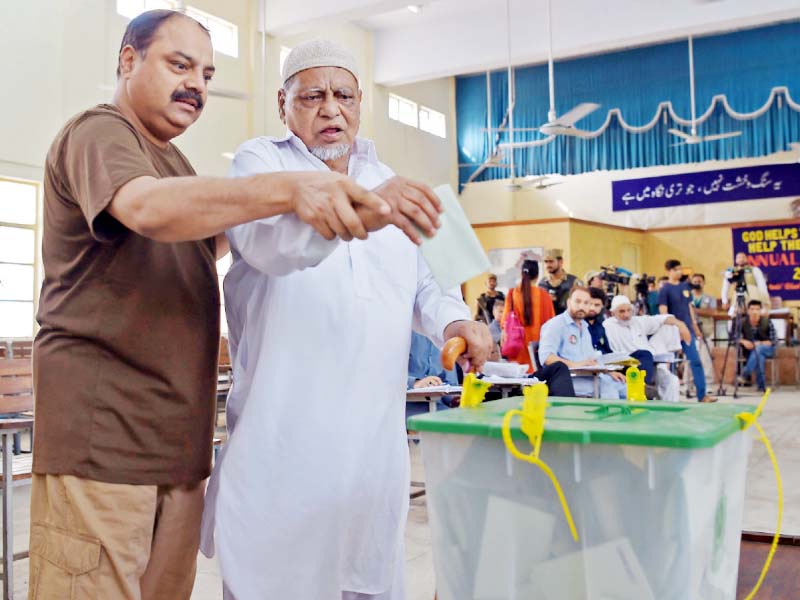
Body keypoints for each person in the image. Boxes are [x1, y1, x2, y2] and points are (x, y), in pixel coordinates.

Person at [28, 12, 408, 600]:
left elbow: (236, 239)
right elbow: (149, 208)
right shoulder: (100, 134)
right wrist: (288, 185)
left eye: (206, 73)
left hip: (178, 445)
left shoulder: (175, 164)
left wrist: (345, 209)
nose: (196, 85)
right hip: (106, 440)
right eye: (179, 65)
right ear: (127, 60)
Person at [199, 40, 493, 600]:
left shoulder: (390, 178)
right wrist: (371, 206)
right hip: (281, 451)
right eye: (312, 95)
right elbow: (270, 248)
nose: (330, 109)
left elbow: (429, 284)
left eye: (344, 95)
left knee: (368, 582)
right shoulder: (260, 162)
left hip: (372, 457)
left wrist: (456, 324)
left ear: (361, 104)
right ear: (283, 103)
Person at [538, 287, 627, 400]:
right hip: (569, 379)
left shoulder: (584, 326)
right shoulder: (556, 325)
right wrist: (575, 364)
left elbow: (592, 358)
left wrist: (608, 372)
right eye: (578, 301)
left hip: (592, 377)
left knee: (627, 388)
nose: (581, 306)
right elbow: (546, 357)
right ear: (569, 302)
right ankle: (609, 418)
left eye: (586, 303)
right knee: (609, 390)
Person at [604, 295, 689, 402]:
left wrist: (681, 325)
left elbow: (662, 319)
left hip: (648, 364)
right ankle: (644, 387)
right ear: (612, 313)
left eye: (629, 310)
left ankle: (668, 413)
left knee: (672, 380)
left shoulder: (638, 321)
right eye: (621, 311)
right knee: (644, 354)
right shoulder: (607, 326)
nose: (626, 315)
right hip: (624, 366)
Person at [658, 259, 716, 403]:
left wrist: (695, 327)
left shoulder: (685, 287)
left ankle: (702, 395)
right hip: (672, 331)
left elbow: (689, 308)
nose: (679, 272)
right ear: (669, 271)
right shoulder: (665, 289)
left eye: (680, 269)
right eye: (676, 269)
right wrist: (672, 328)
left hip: (688, 331)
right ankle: (669, 396)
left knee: (695, 361)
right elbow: (663, 312)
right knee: (670, 363)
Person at [501, 259, 556, 373]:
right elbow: (551, 323)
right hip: (537, 347)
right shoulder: (544, 295)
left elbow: (504, 322)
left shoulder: (512, 293)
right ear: (537, 275)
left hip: (516, 346)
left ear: (522, 273)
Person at [738, 299, 777, 392]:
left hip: (768, 349)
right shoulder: (743, 322)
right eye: (752, 309)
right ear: (748, 311)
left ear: (761, 311)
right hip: (750, 351)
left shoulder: (767, 322)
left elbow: (773, 341)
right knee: (759, 356)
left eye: (757, 309)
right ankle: (761, 386)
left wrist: (758, 343)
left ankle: (745, 373)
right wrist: (743, 341)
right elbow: (734, 337)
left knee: (758, 350)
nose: (755, 312)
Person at [721, 252, 770, 317]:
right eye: (739, 257)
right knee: (732, 316)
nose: (741, 259)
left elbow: (762, 286)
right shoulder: (731, 271)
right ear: (735, 260)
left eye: (743, 257)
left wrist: (764, 300)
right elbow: (725, 287)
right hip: (738, 298)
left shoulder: (755, 270)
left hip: (753, 298)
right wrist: (724, 301)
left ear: (747, 259)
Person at [690, 273, 717, 384]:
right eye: (695, 282)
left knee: (706, 359)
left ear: (703, 283)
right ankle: (690, 382)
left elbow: (713, 312)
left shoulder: (709, 298)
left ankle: (708, 383)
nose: (697, 284)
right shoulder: (687, 297)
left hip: (707, 331)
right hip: (691, 332)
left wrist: (696, 311)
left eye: (699, 281)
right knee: (691, 358)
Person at [539, 248, 582, 314]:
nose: (548, 265)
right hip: (548, 321)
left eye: (551, 261)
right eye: (546, 262)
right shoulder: (542, 283)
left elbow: (582, 303)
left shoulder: (574, 281)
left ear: (560, 261)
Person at [585, 287, 612, 354]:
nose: (592, 308)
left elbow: (607, 351)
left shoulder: (600, 326)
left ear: (602, 306)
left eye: (597, 305)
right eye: (589, 304)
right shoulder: (576, 325)